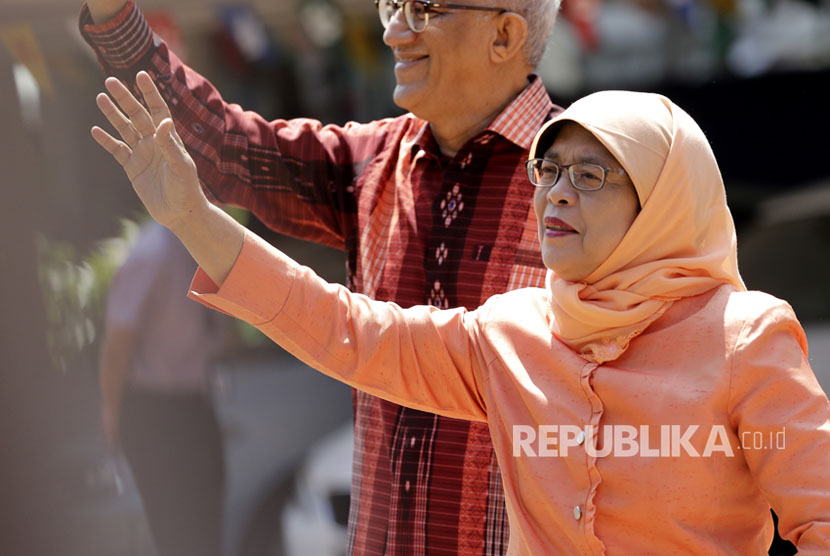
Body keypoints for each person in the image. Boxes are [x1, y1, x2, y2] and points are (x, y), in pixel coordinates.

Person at [93, 76, 830, 553]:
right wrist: (194, 218)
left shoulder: (745, 337)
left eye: (592, 173)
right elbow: (347, 330)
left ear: (664, 201)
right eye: (548, 169)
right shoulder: (509, 333)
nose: (556, 194)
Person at [80, 0, 562, 553]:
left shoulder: (591, 180)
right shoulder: (374, 164)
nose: (395, 34)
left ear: (503, 35)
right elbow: (222, 144)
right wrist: (113, 13)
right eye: (392, 7)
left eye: (424, 10)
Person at [98, 220, 230, 556]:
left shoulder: (206, 247)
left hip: (195, 407)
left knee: (206, 534)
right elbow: (117, 345)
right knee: (176, 534)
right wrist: (112, 415)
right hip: (156, 412)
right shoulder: (152, 253)